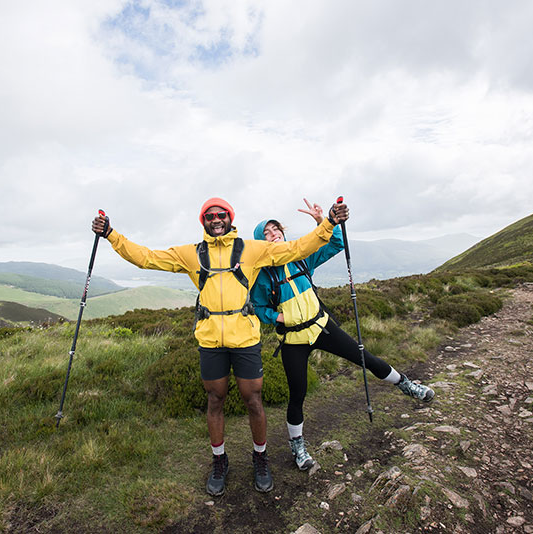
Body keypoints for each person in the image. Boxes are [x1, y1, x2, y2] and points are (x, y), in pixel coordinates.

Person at [91, 197, 349, 496]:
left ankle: (260, 458)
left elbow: (297, 248)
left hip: (245, 340)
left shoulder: (252, 249)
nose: (216, 219)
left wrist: (329, 222)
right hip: (211, 340)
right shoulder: (191, 254)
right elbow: (146, 258)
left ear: (230, 217)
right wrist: (111, 234)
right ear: (204, 220)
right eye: (210, 215)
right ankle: (219, 460)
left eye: (221, 214)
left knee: (254, 400)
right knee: (215, 400)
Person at [250, 199, 435, 471]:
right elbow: (257, 307)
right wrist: (277, 317)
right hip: (293, 340)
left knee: (365, 358)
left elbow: (336, 244)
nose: (273, 234)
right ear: (260, 242)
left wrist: (321, 221)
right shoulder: (262, 275)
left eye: (275, 229)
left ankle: (407, 385)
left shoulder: (302, 257)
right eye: (266, 233)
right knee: (298, 394)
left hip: (322, 327)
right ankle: (298, 446)